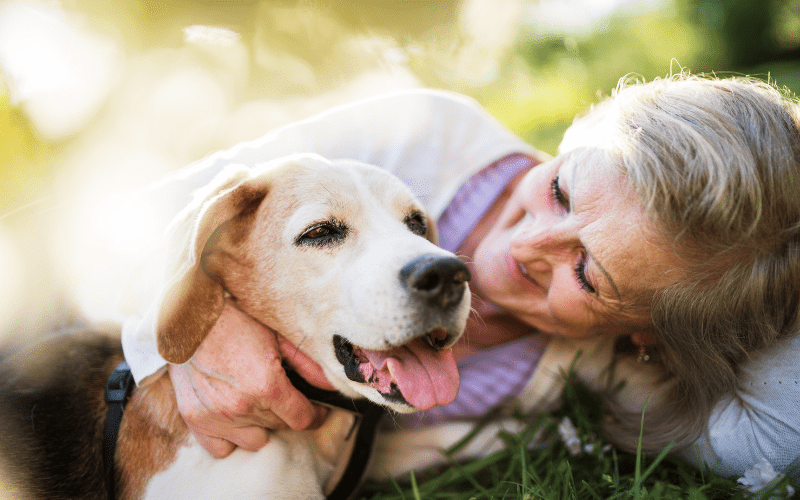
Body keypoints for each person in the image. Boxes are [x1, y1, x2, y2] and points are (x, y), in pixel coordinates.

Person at [119, 73, 800, 479]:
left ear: (647, 332)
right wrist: (181, 333)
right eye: (560, 190)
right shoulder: (425, 134)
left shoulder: (611, 366)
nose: (525, 245)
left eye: (588, 274)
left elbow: (780, 439)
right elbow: (119, 223)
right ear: (573, 136)